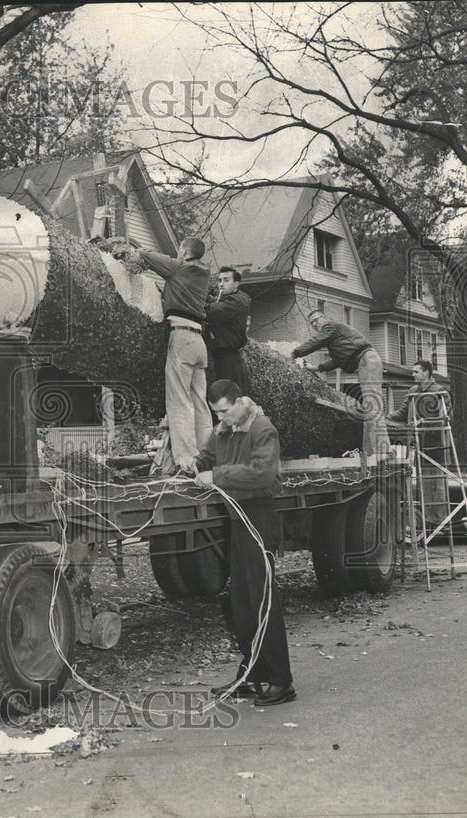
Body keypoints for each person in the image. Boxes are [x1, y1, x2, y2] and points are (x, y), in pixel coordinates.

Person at [194, 379, 295, 706]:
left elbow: (263, 474)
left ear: (239, 403)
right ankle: (254, 674)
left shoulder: (262, 428)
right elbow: (208, 458)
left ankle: (282, 681)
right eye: (216, 412)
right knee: (241, 603)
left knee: (262, 601)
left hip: (259, 516)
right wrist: (193, 465)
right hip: (237, 519)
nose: (220, 417)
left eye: (224, 410)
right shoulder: (222, 431)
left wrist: (218, 476)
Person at [129, 236, 214, 471]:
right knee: (199, 401)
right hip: (199, 342)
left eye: (179, 250)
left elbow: (148, 256)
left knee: (179, 400)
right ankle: (207, 455)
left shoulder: (181, 267)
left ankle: (186, 460)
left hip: (182, 337)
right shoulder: (203, 274)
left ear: (185, 251)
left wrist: (132, 244)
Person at [291, 310, 390, 456]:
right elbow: (337, 360)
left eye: (316, 320)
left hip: (367, 360)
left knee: (373, 407)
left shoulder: (330, 326)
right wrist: (317, 368)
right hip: (365, 361)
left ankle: (384, 450)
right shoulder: (336, 340)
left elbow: (316, 341)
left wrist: (294, 353)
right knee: (369, 408)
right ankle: (370, 452)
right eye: (311, 324)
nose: (315, 325)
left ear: (324, 317)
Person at [386, 359, 452, 524]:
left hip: (438, 444)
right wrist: (386, 417)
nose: (413, 374)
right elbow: (403, 412)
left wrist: (423, 422)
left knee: (438, 484)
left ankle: (441, 521)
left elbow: (444, 417)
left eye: (416, 371)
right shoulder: (413, 391)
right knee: (423, 484)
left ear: (426, 372)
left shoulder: (440, 390)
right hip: (420, 444)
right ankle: (428, 521)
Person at [205, 266, 251, 394]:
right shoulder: (232, 298)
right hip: (225, 357)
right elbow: (215, 302)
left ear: (236, 284)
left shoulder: (236, 301)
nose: (221, 284)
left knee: (232, 400)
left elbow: (211, 311)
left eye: (226, 280)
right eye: (219, 280)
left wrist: (193, 297)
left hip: (230, 360)